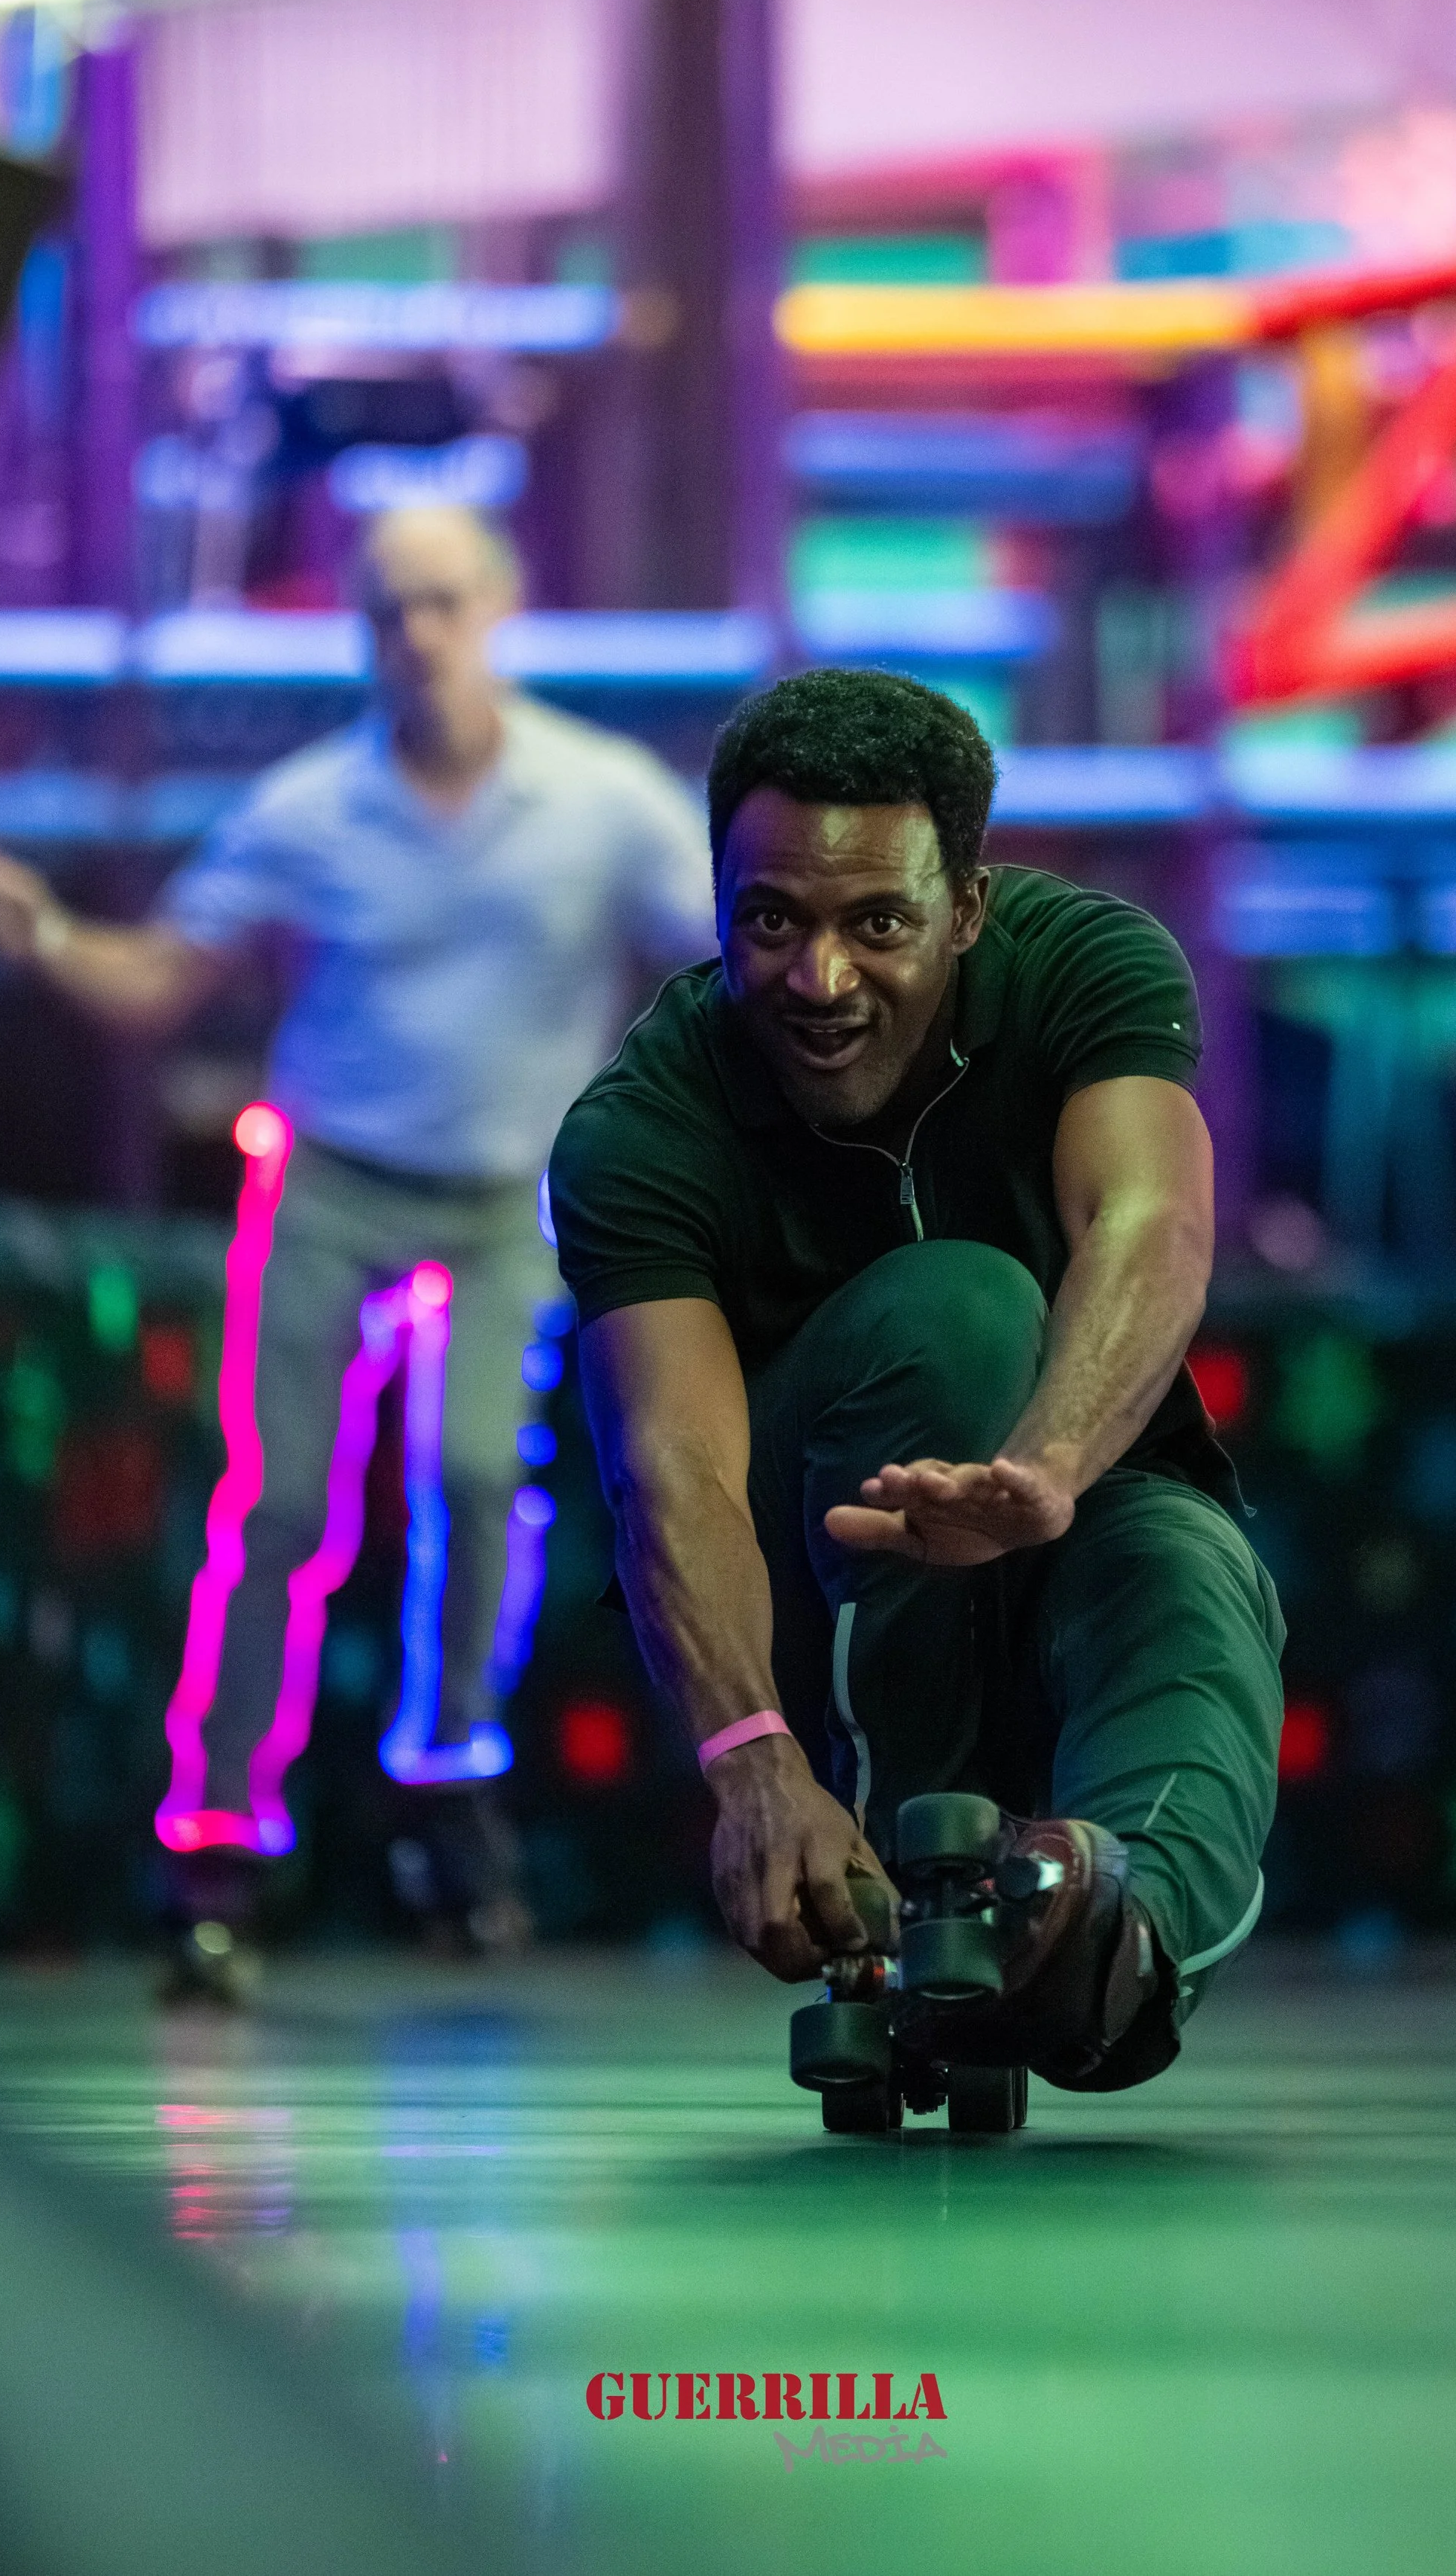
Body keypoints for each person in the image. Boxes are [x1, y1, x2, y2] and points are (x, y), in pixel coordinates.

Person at [0, 504, 714, 1979]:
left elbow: (729, 956)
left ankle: (447, 1776)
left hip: (511, 1197)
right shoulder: (310, 806)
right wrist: (49, 938)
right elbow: (159, 981)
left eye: (439, 603)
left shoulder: (599, 793)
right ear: (361, 632)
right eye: (386, 611)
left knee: (482, 1474)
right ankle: (221, 1832)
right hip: (329, 1186)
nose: (415, 635)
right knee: (282, 1511)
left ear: (498, 604)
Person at [547, 668, 1283, 2095]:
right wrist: (754, 1763)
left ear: (969, 908)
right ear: (717, 906)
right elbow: (671, 1468)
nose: (820, 982)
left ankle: (1103, 1940)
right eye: (773, 922)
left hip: (1057, 1532)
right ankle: (901, 1916)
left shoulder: (1090, 968)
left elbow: (1152, 1224)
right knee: (956, 1311)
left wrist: (1044, 1475)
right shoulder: (640, 1127)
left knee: (1191, 1560)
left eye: (878, 922)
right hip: (797, 1617)